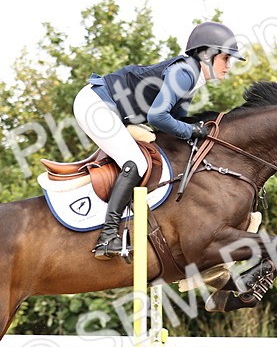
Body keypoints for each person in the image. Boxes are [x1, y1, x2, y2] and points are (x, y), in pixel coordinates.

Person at [73, 21, 243, 259]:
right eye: (226, 58)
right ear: (207, 55)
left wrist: (197, 131)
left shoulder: (192, 78)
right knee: (136, 163)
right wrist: (192, 130)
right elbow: (158, 116)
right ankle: (107, 236)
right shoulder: (184, 73)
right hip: (96, 105)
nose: (228, 66)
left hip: (115, 110)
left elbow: (176, 121)